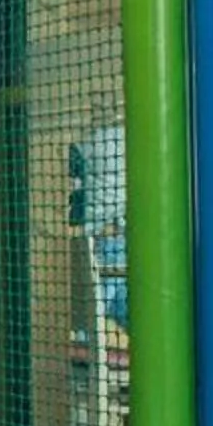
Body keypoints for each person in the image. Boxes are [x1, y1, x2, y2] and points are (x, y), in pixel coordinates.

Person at [68, 120, 126, 329]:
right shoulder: (135, 140)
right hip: (114, 239)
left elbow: (73, 198)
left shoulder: (89, 142)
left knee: (96, 311)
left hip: (96, 239)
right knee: (98, 312)